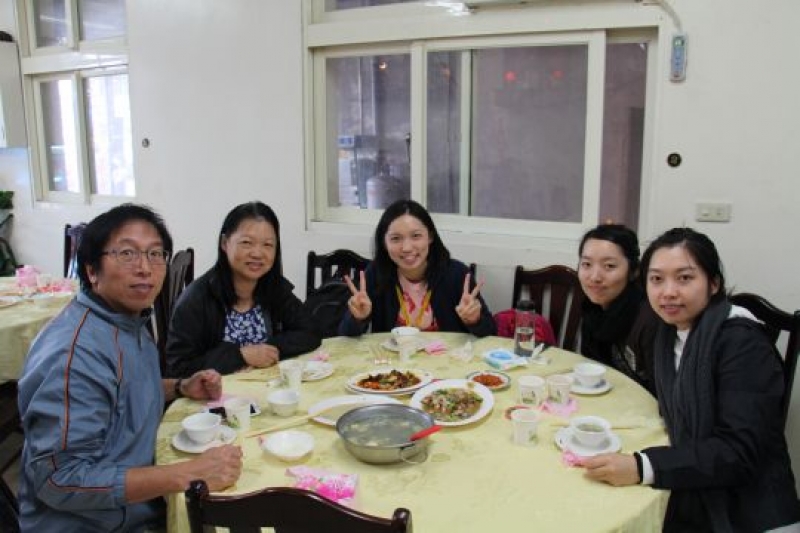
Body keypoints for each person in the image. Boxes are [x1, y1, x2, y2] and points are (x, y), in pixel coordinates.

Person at [17, 204, 242, 532]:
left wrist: (179, 387)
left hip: (138, 504)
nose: (145, 268)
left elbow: (117, 393)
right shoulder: (73, 356)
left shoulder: (126, 320)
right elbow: (60, 479)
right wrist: (188, 473)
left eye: (155, 254)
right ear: (92, 270)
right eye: (126, 254)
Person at [583, 227, 800, 532]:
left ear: (714, 283)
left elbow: (738, 453)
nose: (668, 292)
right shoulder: (668, 333)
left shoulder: (741, 343)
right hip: (694, 482)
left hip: (750, 510)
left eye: (684, 278)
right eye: (657, 279)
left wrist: (643, 466)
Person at [166, 201, 320, 377]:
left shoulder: (273, 287)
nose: (257, 253)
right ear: (225, 243)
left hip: (268, 387)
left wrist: (268, 350)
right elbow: (179, 368)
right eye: (247, 242)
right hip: (219, 393)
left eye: (268, 245)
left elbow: (310, 331)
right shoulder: (195, 300)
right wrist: (240, 356)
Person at [339, 199, 496, 337]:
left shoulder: (456, 274)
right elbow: (345, 335)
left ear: (430, 237)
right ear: (384, 243)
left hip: (446, 359)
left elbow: (490, 332)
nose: (407, 248)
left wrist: (475, 321)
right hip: (395, 361)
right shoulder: (376, 273)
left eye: (416, 236)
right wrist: (357, 318)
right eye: (396, 238)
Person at [577, 224, 659, 395]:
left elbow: (661, 392)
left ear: (634, 271)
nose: (595, 277)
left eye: (609, 266)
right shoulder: (592, 308)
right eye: (587, 264)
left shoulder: (648, 319)